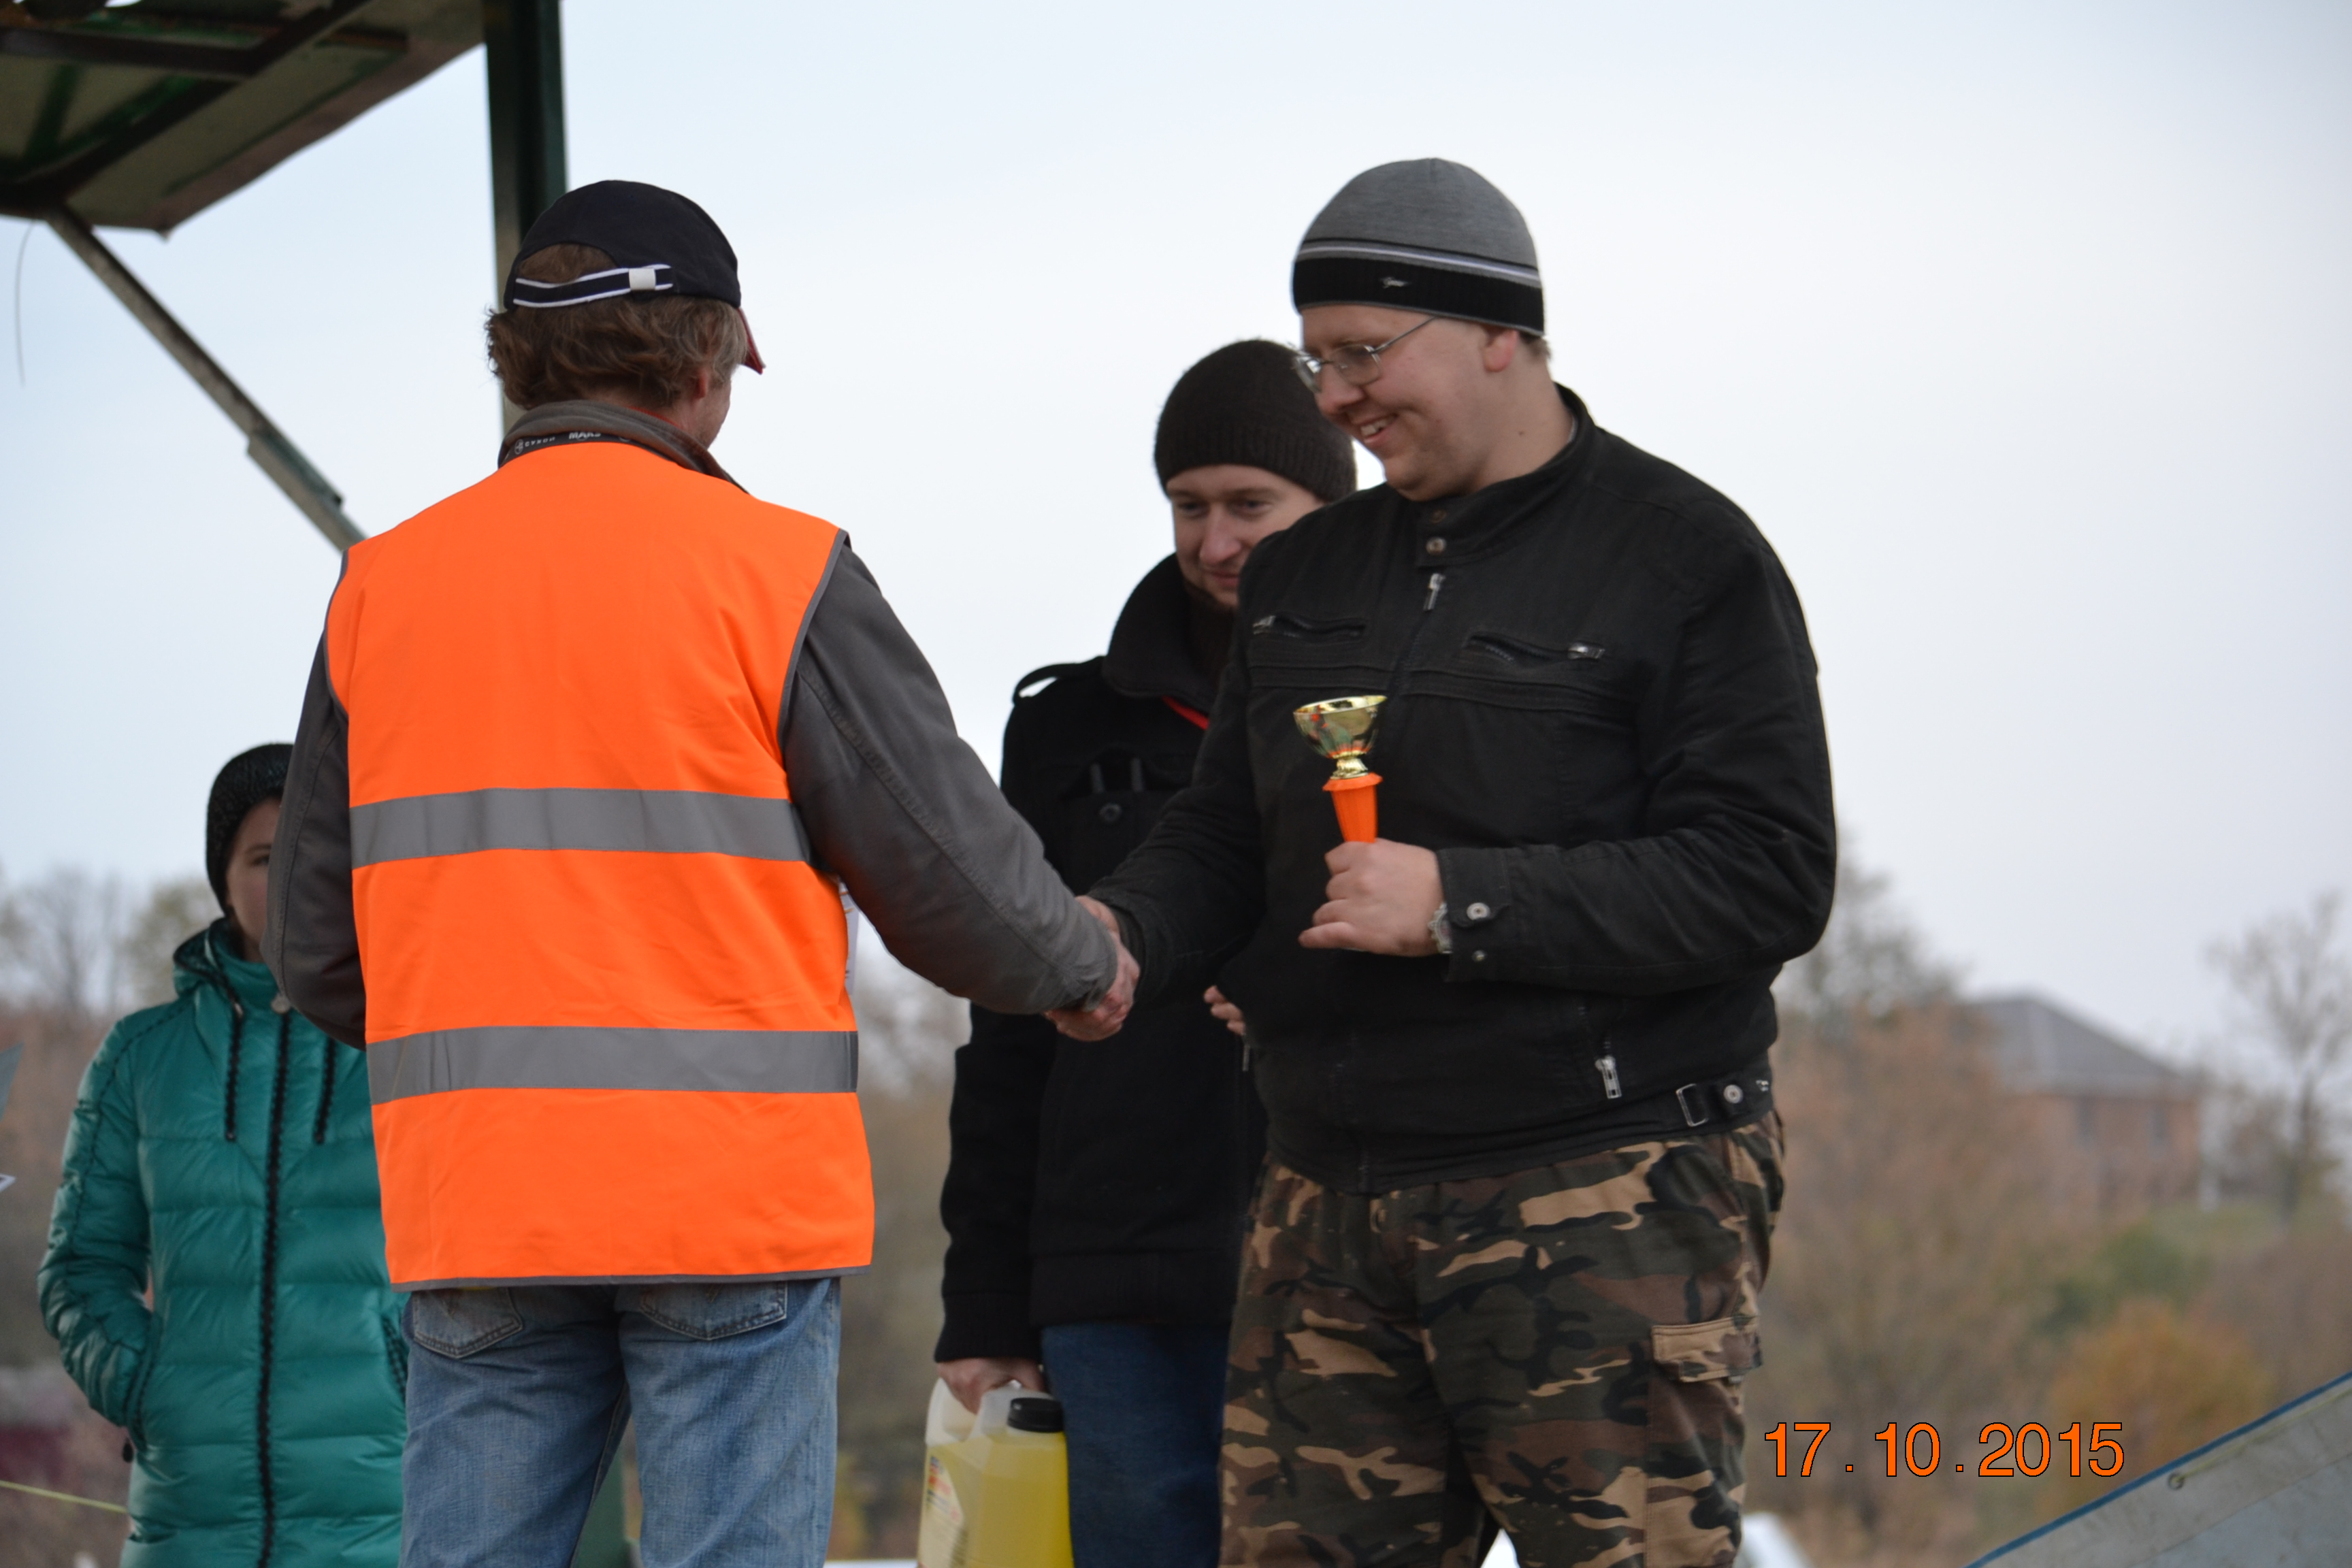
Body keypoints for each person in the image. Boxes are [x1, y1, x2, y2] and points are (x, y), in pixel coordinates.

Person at [264, 181, 1133, 1568]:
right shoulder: (774, 571)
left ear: (522, 358)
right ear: (707, 358)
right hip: (726, 1200)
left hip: (482, 1196)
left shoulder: (384, 586)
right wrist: (1083, 965)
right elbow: (945, 868)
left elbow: (314, 947)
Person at [1074, 160, 1835, 1567]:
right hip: (1322, 1197)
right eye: (1317, 361)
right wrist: (1115, 933)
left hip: (1606, 1186)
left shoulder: (1687, 559)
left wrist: (1461, 904)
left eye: (1365, 353)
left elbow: (1768, 873)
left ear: (1501, 330)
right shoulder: (1303, 574)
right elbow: (1227, 834)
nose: (1337, 398)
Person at [936, 341, 1356, 1568]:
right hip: (1117, 1279)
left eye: (1251, 505)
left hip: (1353, 1260)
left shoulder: (1408, 710)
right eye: (1189, 505)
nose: (1217, 540)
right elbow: (1006, 1037)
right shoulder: (1065, 729)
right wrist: (985, 1304)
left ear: (1331, 504)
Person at [42, 744, 406, 1567]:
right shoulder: (141, 1057)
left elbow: (483, 1255)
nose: (290, 880)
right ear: (224, 879)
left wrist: (406, 1374)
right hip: (189, 1524)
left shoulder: (410, 1048)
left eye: (313, 854)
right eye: (264, 858)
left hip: (381, 1521)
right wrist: (146, 1382)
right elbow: (80, 1267)